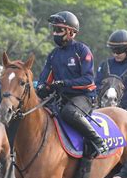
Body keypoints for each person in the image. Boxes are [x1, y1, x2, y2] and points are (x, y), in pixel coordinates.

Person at [36, 10, 109, 157]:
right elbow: (44, 77)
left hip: (84, 97)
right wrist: (41, 86)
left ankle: (98, 141)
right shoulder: (53, 55)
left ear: (71, 32)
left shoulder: (82, 50)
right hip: (61, 97)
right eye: (54, 29)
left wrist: (65, 83)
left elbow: (88, 80)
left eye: (59, 30)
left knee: (69, 112)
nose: (55, 33)